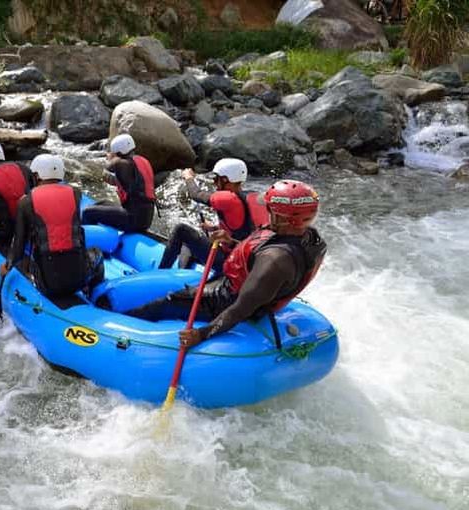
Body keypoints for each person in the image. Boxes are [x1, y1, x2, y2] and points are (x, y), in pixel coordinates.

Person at [126, 176, 327, 348]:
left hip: (227, 301)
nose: (267, 213)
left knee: (166, 302)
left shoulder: (275, 261)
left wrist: (202, 334)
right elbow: (261, 253)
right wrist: (231, 242)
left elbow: (241, 308)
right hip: (243, 286)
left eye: (271, 210)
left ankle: (127, 327)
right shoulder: (308, 237)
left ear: (286, 219)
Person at [0, 154, 104, 299]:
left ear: (36, 176)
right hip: (78, 278)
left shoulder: (25, 202)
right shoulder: (76, 193)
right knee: (97, 253)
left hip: (47, 283)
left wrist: (8, 265)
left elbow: (18, 245)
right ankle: (91, 294)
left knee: (26, 260)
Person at [158, 158, 269, 270]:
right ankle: (183, 274)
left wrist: (189, 177)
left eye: (216, 179)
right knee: (189, 242)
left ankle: (161, 272)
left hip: (230, 261)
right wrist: (214, 227)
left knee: (180, 230)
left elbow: (196, 194)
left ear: (225, 179)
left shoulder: (228, 197)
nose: (214, 183)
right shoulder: (251, 197)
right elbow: (242, 229)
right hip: (245, 257)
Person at [81, 133, 156, 233]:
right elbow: (132, 185)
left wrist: (110, 159)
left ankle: (89, 244)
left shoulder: (121, 163)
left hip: (133, 219)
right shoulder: (142, 161)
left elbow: (107, 169)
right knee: (102, 203)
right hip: (145, 219)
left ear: (118, 153)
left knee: (87, 213)